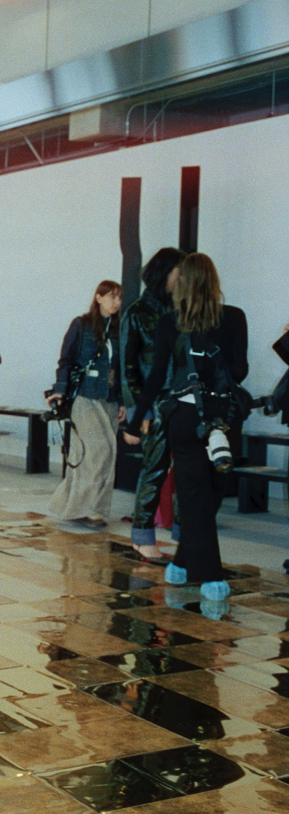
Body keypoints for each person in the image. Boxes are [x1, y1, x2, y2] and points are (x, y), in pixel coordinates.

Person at [124, 253, 247, 601]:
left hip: (188, 418)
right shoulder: (233, 318)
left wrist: (136, 419)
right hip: (223, 419)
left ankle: (181, 562)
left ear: (184, 283)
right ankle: (209, 576)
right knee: (206, 494)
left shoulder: (169, 322)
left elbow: (156, 378)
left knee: (199, 496)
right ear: (214, 281)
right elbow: (239, 372)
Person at [121, 247, 185, 560]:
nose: (183, 278)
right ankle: (142, 535)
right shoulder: (136, 313)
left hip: (183, 401)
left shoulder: (182, 311)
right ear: (165, 272)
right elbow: (127, 367)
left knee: (188, 470)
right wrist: (137, 412)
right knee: (154, 470)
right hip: (154, 405)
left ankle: (183, 536)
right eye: (179, 272)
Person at [48, 280, 124, 527]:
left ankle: (93, 508)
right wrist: (60, 391)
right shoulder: (81, 325)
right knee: (97, 451)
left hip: (110, 398)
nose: (116, 302)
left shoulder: (120, 328)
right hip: (86, 397)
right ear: (99, 297)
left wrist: (123, 401)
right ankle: (90, 508)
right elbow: (66, 360)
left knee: (108, 453)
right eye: (112, 296)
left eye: (119, 298)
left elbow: (122, 368)